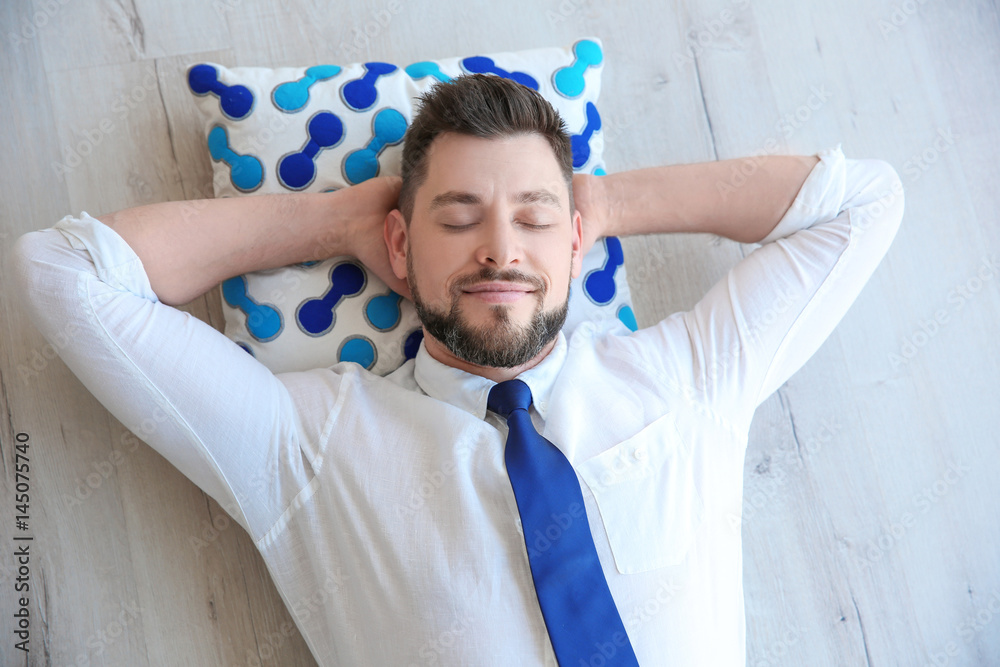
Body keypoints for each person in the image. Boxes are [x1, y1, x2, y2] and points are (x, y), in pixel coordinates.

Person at [13, 73, 903, 666]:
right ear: (401, 243)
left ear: (577, 238)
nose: (501, 249)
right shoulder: (312, 444)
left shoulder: (688, 378)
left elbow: (864, 203)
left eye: (533, 216)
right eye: (458, 215)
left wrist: (605, 200)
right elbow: (65, 272)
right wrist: (336, 223)